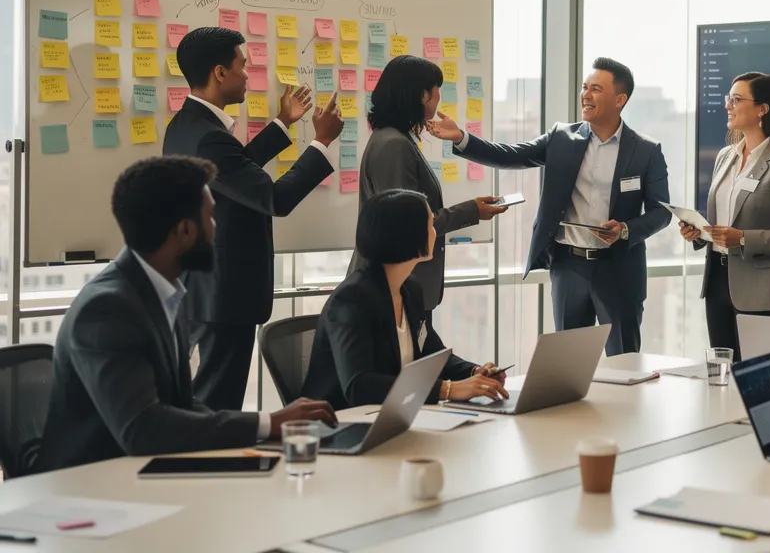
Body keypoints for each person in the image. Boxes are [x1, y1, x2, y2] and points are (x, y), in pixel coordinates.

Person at [38, 157, 336, 472]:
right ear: (184, 231)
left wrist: (265, 427)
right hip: (92, 491)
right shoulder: (106, 310)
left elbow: (181, 406)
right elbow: (143, 429)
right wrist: (268, 423)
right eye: (211, 216)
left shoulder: (164, 292)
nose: (216, 228)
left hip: (144, 476)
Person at [430, 58, 671, 356]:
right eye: (585, 87)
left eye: (596, 89)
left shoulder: (646, 151)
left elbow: (662, 213)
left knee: (624, 360)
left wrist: (625, 230)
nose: (586, 94)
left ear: (619, 99)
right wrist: (462, 138)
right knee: (570, 364)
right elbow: (511, 155)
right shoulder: (562, 138)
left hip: (619, 269)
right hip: (569, 267)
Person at [163, 26, 344, 411]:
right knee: (219, 402)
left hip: (203, 288)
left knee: (204, 398)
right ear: (220, 73)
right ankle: (216, 467)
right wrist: (321, 142)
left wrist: (282, 124)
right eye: (242, 66)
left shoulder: (185, 127)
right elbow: (273, 198)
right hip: (224, 293)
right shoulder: (210, 137)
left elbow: (234, 173)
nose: (248, 74)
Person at [303, 189, 508, 409]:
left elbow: (432, 354)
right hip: (340, 425)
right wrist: (448, 389)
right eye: (430, 225)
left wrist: (474, 373)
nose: (434, 232)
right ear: (408, 234)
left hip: (392, 418)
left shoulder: (409, 289)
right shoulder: (351, 300)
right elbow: (359, 386)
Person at [352, 55, 508, 320]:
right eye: (437, 90)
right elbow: (407, 223)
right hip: (394, 286)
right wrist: (472, 211)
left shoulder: (395, 138)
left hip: (401, 286)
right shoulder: (394, 145)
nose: (439, 98)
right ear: (422, 95)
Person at [680, 72, 770, 360]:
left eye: (736, 99)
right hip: (718, 281)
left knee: (761, 381)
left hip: (766, 290)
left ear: (763, 109)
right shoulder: (725, 156)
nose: (728, 105)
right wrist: (700, 233)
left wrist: (743, 239)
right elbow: (725, 218)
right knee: (724, 375)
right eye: (729, 98)